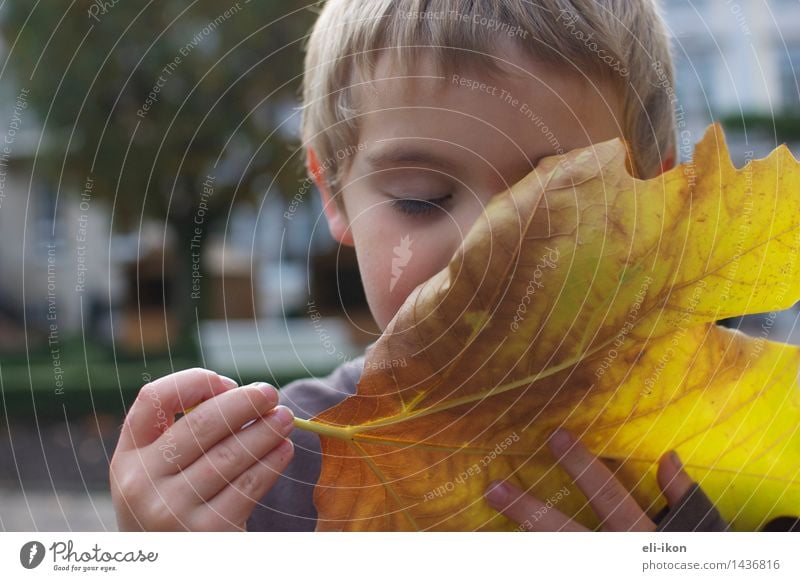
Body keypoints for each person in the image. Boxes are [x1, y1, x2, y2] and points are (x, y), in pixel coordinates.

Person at [111, 0, 740, 532]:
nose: (484, 252)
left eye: (557, 198)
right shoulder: (273, 474)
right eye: (421, 197)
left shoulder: (746, 437)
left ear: (658, 200)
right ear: (333, 194)